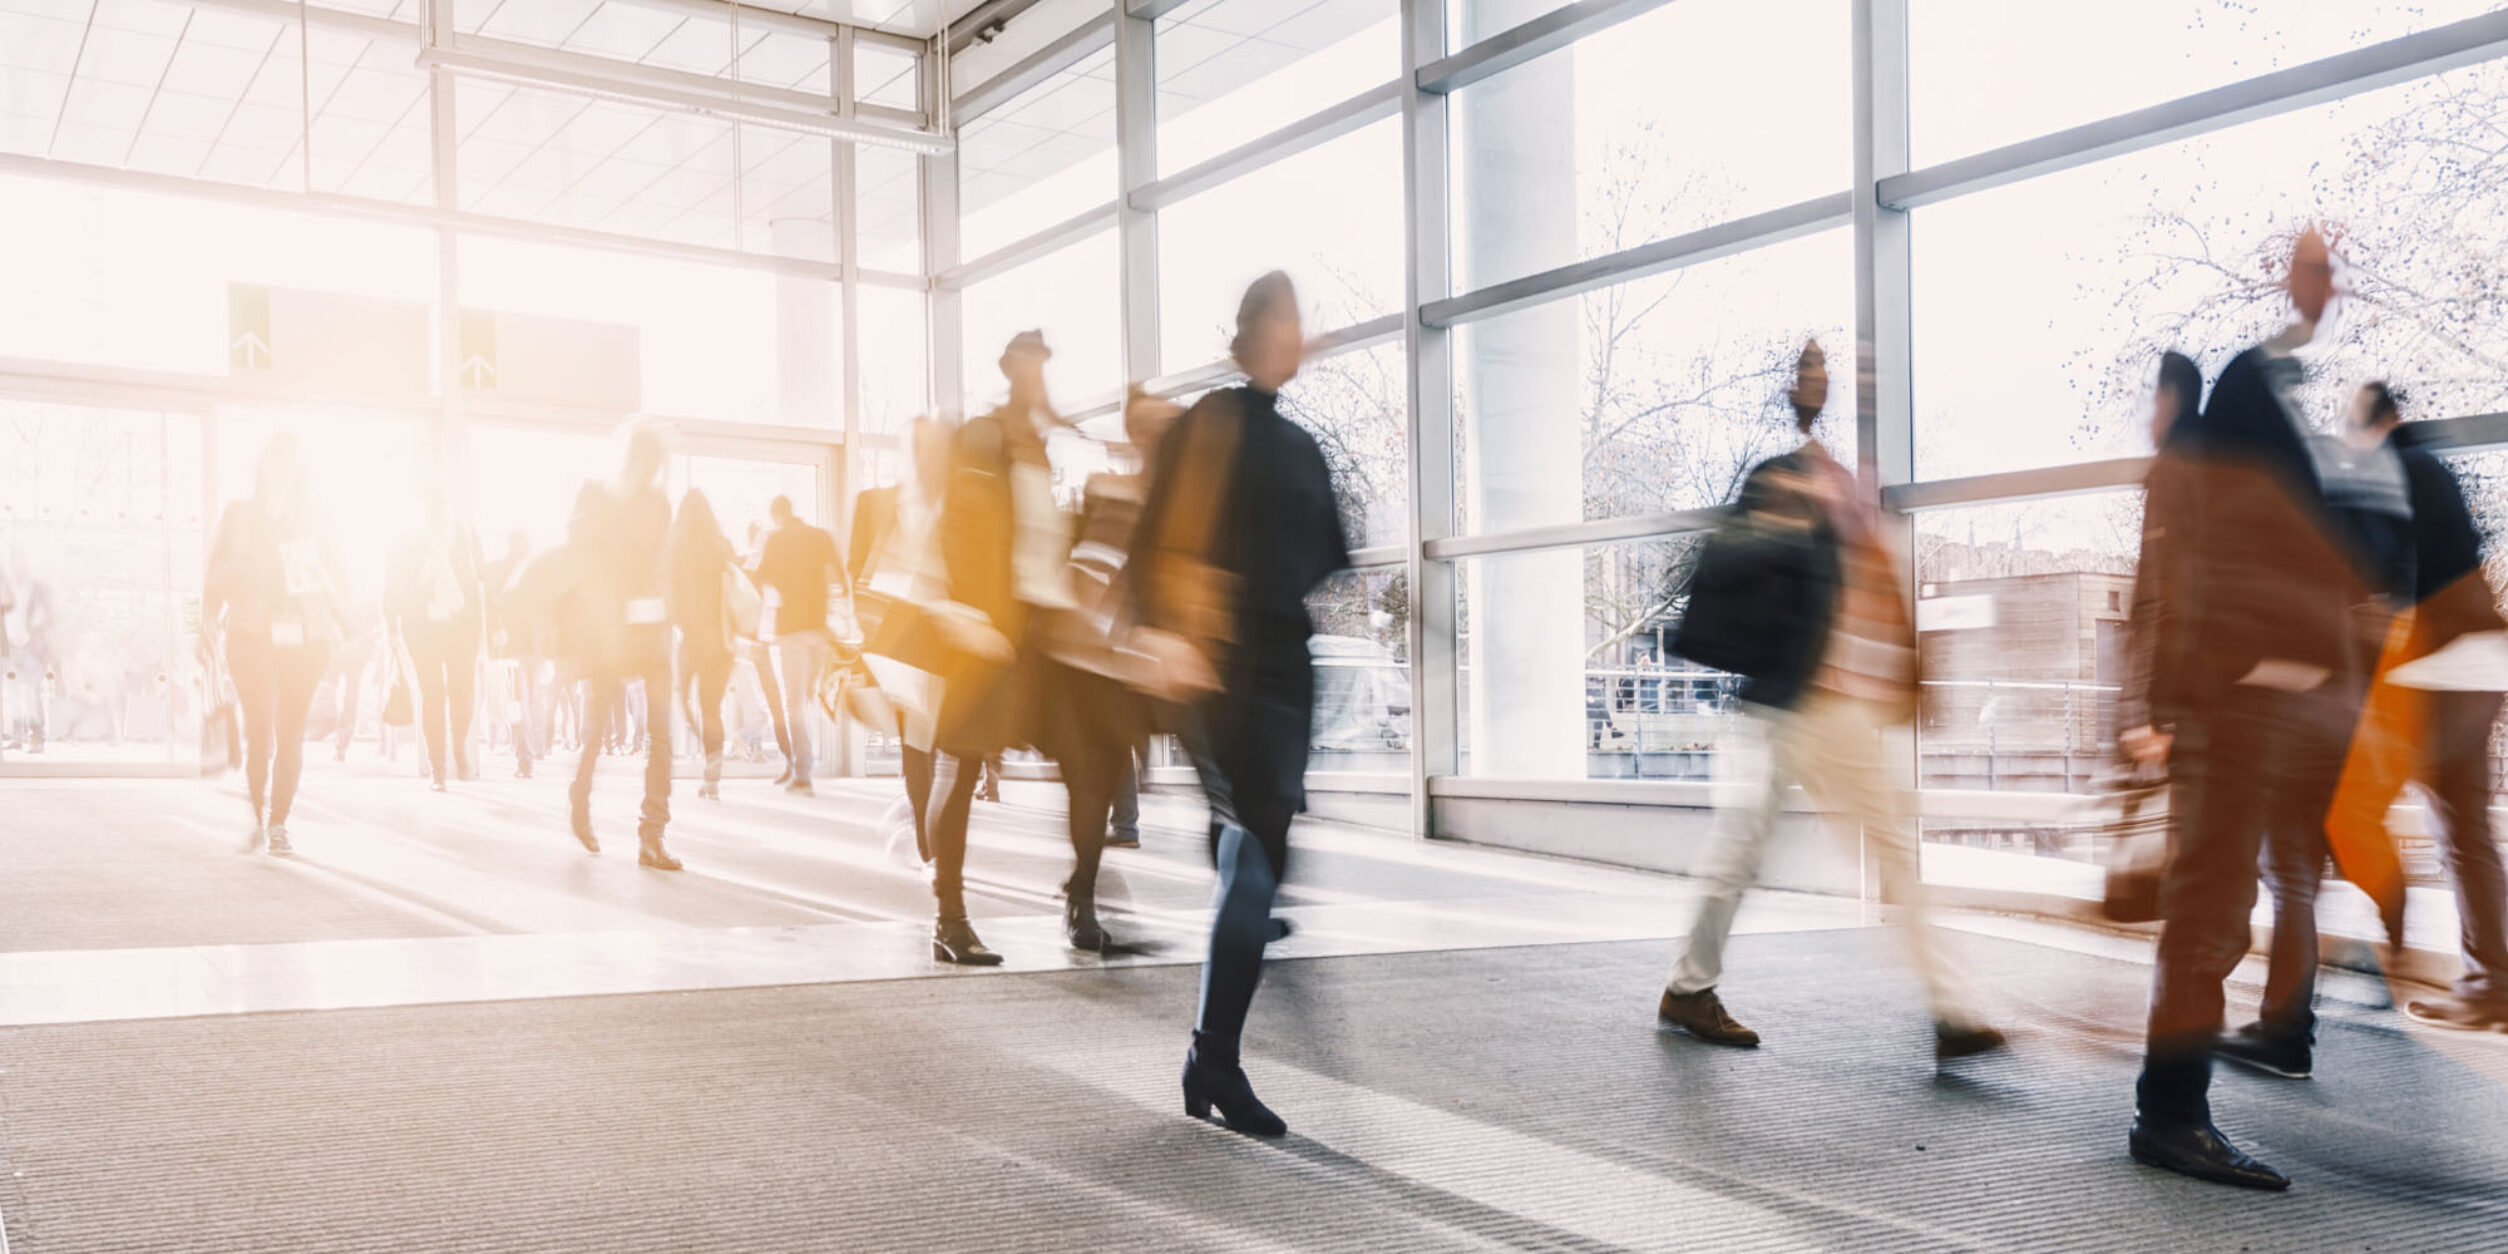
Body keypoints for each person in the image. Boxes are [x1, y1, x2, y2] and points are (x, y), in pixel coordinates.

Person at [1658, 339, 2004, 1064]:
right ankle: (1691, 990)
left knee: (1876, 849)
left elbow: (1874, 597)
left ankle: (1950, 1009)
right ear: (1794, 390)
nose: (1819, 383)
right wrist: (1784, 526)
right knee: (1747, 848)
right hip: (1790, 702)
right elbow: (1727, 568)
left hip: (1835, 709)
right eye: (1808, 372)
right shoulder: (1782, 480)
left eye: (1827, 372)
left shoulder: (1847, 487)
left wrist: (1907, 677)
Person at [2124, 227, 2366, 1191]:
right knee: (2211, 913)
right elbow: (2172, 601)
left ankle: (2177, 1105)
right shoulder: (2221, 451)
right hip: (2227, 715)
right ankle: (2169, 1116)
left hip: (2249, 714)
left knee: (2221, 908)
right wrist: (2167, 711)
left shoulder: (2236, 455)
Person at [1132, 274, 1350, 1137]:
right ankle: (1214, 1058)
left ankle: (1210, 1056)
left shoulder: (1297, 442)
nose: (1299, 335)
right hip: (1220, 666)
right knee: (1253, 856)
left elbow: (1321, 556)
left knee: (1262, 854)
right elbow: (1157, 540)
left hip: (1282, 667)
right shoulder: (1213, 423)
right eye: (1286, 320)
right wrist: (1170, 633)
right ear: (1255, 331)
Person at [916, 330, 1070, 966]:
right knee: (961, 767)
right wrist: (967, 615)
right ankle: (949, 918)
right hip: (985, 631)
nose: (1036, 377)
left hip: (1033, 628)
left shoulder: (1037, 444)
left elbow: (1038, 540)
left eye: (1043, 366)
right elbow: (958, 523)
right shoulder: (985, 435)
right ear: (1010, 371)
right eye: (1027, 366)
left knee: (1085, 752)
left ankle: (1083, 897)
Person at [2367, 383, 2508, 1031]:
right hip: (2478, 656)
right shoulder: (2433, 467)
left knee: (2362, 802)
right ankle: (2491, 984)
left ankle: (2384, 962)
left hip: (2442, 665)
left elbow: (2396, 577)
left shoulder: (2398, 469)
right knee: (2463, 826)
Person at [1035, 387, 1185, 949]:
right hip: (1086, 670)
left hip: (1125, 673)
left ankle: (1082, 888)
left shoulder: (1168, 504)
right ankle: (1082, 899)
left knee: (1104, 782)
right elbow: (1083, 583)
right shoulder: (1119, 497)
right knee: (1091, 787)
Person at [203, 433, 348, 856]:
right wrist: (203, 626)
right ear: (263, 465)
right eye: (276, 460)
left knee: (290, 734)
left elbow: (339, 576)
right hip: (249, 634)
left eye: (290, 461)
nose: (282, 468)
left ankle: (278, 822)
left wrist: (335, 609)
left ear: (301, 469)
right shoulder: (239, 514)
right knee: (260, 730)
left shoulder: (317, 516)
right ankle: (257, 818)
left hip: (303, 637)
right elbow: (213, 575)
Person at [565, 421, 683, 871]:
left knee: (661, 734)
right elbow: (581, 556)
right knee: (598, 729)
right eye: (645, 460)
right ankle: (580, 798)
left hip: (651, 631)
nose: (651, 469)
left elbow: (662, 563)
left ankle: (652, 834)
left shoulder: (658, 504)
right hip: (610, 633)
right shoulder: (599, 497)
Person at [853, 416, 954, 868]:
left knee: (938, 743)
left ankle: (924, 824)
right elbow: (857, 569)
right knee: (918, 745)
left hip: (945, 634)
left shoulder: (955, 502)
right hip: (899, 638)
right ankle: (930, 844)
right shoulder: (878, 503)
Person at [386, 489, 486, 792]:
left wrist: (485, 626)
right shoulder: (406, 542)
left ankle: (459, 745)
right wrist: (392, 625)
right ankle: (438, 766)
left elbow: (480, 578)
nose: (437, 516)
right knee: (432, 695)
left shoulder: (464, 535)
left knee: (462, 693)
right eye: (431, 511)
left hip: (461, 626)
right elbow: (391, 584)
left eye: (440, 510)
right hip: (422, 627)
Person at [755, 495, 844, 796]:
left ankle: (803, 773)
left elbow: (761, 577)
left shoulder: (775, 539)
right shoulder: (821, 537)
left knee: (795, 702)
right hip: (819, 628)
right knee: (809, 695)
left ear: (776, 516)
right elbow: (839, 578)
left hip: (791, 629)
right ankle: (810, 759)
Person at [668, 489, 739, 801]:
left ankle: (709, 757)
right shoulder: (722, 546)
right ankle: (712, 775)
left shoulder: (675, 548)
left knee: (683, 699)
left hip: (693, 638)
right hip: (722, 640)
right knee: (712, 708)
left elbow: (669, 595)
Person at [481, 530, 539, 778]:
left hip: (514, 648)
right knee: (524, 703)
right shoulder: (527, 570)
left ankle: (524, 757)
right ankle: (525, 757)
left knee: (519, 703)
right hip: (523, 648)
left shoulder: (500, 571)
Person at [742, 520, 796, 785]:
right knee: (775, 704)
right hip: (768, 644)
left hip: (762, 644)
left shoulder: (749, 569)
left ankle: (786, 757)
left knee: (772, 704)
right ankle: (789, 759)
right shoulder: (765, 569)